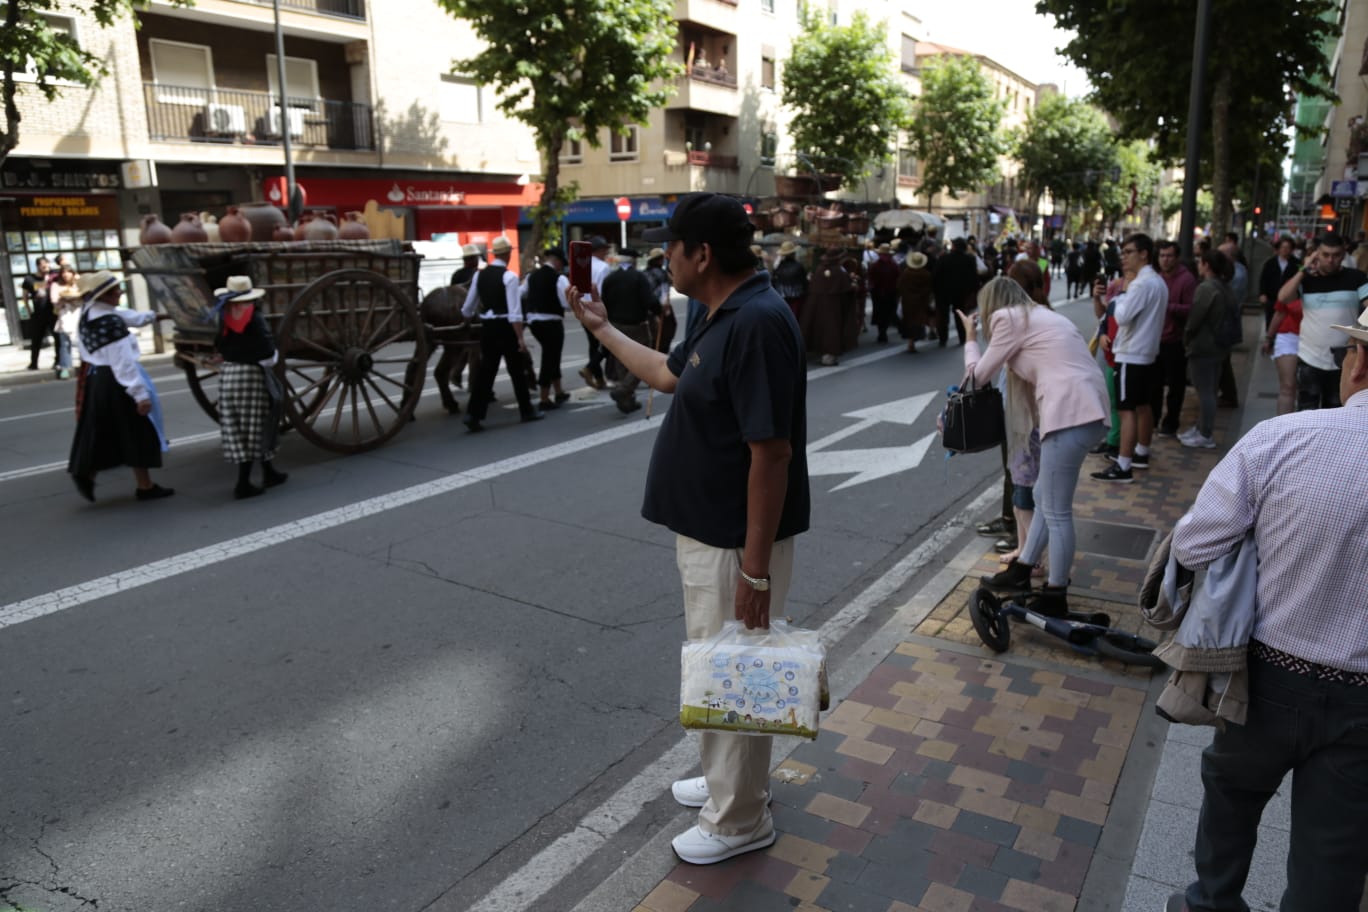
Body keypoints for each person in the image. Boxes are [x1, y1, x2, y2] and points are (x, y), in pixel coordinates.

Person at [569, 192, 809, 866]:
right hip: (710, 530)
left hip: (738, 537)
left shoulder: (758, 322)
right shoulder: (714, 309)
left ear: (702, 254)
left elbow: (772, 453)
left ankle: (739, 819)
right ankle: (732, 778)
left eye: (670, 247)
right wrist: (599, 328)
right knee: (720, 665)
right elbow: (669, 376)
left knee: (737, 668)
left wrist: (756, 570)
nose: (662, 258)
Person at [1162, 311, 1368, 912]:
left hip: (1266, 679)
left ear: (1358, 364)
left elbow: (1194, 545)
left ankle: (1212, 904)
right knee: (1334, 848)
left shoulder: (1285, 439)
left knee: (1230, 797)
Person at [967, 277, 1109, 617]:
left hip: (1070, 412)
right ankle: (1022, 569)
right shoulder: (1042, 316)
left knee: (1057, 511)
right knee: (1046, 497)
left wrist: (971, 339)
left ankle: (1055, 593)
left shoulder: (1008, 319)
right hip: (1086, 409)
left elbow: (977, 377)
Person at [67, 271, 175, 503]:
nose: (120, 292)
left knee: (105, 431)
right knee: (137, 431)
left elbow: (129, 316)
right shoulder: (111, 324)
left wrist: (156, 316)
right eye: (115, 291)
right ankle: (144, 487)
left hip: (97, 380)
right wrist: (140, 395)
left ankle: (87, 472)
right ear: (102, 295)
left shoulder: (91, 312)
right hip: (117, 382)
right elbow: (123, 364)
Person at [1091, 234, 1166, 483]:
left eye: (1128, 252)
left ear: (1144, 254)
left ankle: (1123, 465)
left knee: (1126, 410)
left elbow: (1121, 316)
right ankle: (1141, 452)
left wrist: (1120, 296)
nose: (1123, 257)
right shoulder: (1157, 282)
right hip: (1146, 353)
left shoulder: (1141, 284)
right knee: (1142, 405)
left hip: (1131, 352)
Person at [212, 276, 288, 499]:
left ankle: (269, 471)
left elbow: (219, 343)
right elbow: (266, 352)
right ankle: (243, 483)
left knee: (241, 425)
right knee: (256, 424)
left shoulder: (225, 315)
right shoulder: (254, 317)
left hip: (229, 374)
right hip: (250, 375)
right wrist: (273, 356)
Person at [1277, 231, 1368, 411]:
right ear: (1317, 254)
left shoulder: (1355, 277)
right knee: (1306, 410)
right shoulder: (1307, 279)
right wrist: (1304, 269)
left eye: (1335, 255)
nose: (1330, 260)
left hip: (1342, 359)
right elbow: (1283, 297)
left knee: (1336, 410)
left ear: (1343, 255)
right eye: (1325, 255)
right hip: (1310, 357)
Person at [460, 236, 543, 431]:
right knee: (517, 369)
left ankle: (474, 414)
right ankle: (526, 410)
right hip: (505, 326)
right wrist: (520, 338)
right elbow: (515, 312)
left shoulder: (479, 276)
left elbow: (467, 308)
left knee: (486, 371)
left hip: (488, 327)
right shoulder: (510, 277)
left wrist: (472, 318)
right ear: (508, 253)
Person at [1179, 249, 1234, 449]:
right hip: (1219, 346)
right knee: (1209, 389)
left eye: (1200, 262)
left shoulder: (1207, 288)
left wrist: (1187, 338)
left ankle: (1205, 433)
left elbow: (1194, 320)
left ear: (1206, 265)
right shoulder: (1224, 286)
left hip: (1204, 346)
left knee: (1205, 392)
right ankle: (1202, 427)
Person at [599, 247, 660, 413]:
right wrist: (659, 312)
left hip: (616, 324)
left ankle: (626, 400)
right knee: (642, 359)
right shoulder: (638, 277)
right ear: (633, 261)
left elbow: (604, 301)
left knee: (621, 359)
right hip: (636, 324)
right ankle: (624, 390)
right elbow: (649, 300)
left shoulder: (610, 278)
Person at [1151, 241, 1195, 438]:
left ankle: (1171, 423)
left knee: (1176, 386)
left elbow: (1190, 309)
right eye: (1162, 256)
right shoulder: (1156, 278)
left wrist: (1168, 306)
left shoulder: (1186, 280)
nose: (1165, 260)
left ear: (1176, 258)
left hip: (1175, 340)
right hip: (1155, 340)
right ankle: (1152, 421)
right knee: (1154, 384)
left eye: (1169, 256)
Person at [522, 247, 573, 411]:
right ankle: (544, 397)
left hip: (534, 321)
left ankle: (559, 391)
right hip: (552, 321)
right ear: (557, 261)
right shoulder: (559, 279)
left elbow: (520, 293)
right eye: (561, 264)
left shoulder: (531, 276)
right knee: (551, 356)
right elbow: (565, 303)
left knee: (552, 354)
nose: (561, 267)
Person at [801, 247, 853, 366]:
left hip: (817, 306)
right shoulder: (840, 271)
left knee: (819, 328)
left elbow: (812, 287)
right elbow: (846, 290)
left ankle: (821, 353)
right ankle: (829, 356)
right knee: (832, 329)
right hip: (834, 306)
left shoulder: (819, 270)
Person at [576, 235, 613, 390]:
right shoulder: (603, 267)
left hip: (582, 307)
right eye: (604, 249)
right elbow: (606, 290)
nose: (606, 252)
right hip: (597, 306)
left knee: (593, 344)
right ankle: (590, 368)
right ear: (598, 250)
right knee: (608, 344)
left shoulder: (582, 265)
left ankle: (598, 377)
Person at [1260, 284, 1302, 416]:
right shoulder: (1296, 283)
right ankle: (1283, 427)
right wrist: (1268, 338)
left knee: (1308, 389)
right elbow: (1280, 312)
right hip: (1289, 338)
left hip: (1317, 340)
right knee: (1288, 386)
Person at [932, 237, 978, 347]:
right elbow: (973, 277)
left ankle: (943, 339)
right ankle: (962, 338)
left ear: (954, 246)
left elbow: (935, 275)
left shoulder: (943, 258)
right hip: (961, 292)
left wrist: (935, 290)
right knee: (960, 315)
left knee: (943, 316)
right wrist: (972, 292)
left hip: (943, 292)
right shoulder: (969, 259)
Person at [48, 263, 81, 379]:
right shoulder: (56, 286)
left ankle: (84, 365)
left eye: (68, 272)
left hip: (78, 315)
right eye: (63, 272)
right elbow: (54, 301)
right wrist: (63, 299)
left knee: (81, 342)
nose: (66, 275)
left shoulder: (78, 285)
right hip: (64, 316)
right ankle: (65, 367)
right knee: (65, 343)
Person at [1258, 236, 1299, 328]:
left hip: (1289, 299)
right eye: (1283, 247)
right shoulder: (1270, 263)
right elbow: (1263, 279)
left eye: (1288, 247)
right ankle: (1270, 339)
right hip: (1271, 297)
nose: (1285, 250)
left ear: (1291, 249)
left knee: (1286, 321)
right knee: (1270, 319)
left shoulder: (1297, 264)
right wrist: (1262, 293)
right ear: (1278, 249)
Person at [896, 250, 933, 354]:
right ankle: (914, 341)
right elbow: (928, 289)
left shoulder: (906, 273)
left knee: (909, 320)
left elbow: (899, 286)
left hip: (908, 301)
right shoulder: (926, 274)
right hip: (920, 302)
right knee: (917, 320)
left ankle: (910, 342)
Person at [865, 242, 900, 343]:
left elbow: (871, 277)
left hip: (882, 293)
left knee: (882, 313)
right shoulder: (892, 265)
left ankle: (882, 332)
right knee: (885, 313)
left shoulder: (877, 265)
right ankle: (883, 332)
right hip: (886, 293)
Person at [23, 256, 54, 371]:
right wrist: (29, 310)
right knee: (36, 340)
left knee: (57, 337)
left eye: (47, 265)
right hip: (38, 314)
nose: (46, 267)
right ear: (38, 266)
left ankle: (57, 361)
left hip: (52, 313)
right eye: (43, 265)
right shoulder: (30, 279)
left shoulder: (52, 277)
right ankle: (33, 363)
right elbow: (25, 296)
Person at [645, 247, 676, 353]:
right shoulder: (662, 274)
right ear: (659, 260)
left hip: (648, 310)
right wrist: (665, 310)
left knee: (652, 335)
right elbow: (664, 293)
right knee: (665, 333)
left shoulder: (645, 273)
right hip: (659, 308)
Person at [770, 240, 807, 319]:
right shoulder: (799, 266)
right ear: (794, 253)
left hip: (781, 298)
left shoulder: (779, 267)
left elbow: (773, 282)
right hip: (795, 299)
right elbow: (804, 283)